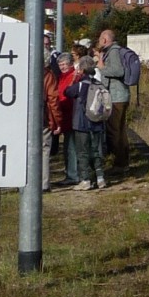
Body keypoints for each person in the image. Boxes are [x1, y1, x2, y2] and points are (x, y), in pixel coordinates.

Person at [65, 56, 107, 190]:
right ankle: (100, 178)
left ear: (82, 70)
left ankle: (85, 180)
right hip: (97, 122)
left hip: (82, 123)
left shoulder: (80, 85)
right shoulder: (99, 84)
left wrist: (73, 79)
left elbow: (67, 92)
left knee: (82, 152)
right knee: (96, 151)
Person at [96, 29, 131, 171]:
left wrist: (102, 68)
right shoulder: (111, 51)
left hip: (117, 97)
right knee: (118, 129)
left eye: (100, 38)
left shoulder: (114, 52)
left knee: (115, 130)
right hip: (117, 95)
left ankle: (120, 163)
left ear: (105, 39)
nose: (99, 41)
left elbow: (118, 71)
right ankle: (122, 161)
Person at [55, 51, 80, 185]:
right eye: (60, 65)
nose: (62, 67)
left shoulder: (73, 77)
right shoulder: (61, 77)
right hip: (65, 115)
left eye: (64, 64)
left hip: (71, 115)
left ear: (70, 64)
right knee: (68, 147)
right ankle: (71, 173)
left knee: (71, 147)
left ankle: (73, 174)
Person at [40, 51, 63, 192]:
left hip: (24, 118)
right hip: (43, 117)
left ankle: (25, 181)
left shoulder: (23, 72)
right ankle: (44, 184)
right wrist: (57, 121)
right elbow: (53, 100)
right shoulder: (48, 76)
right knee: (44, 151)